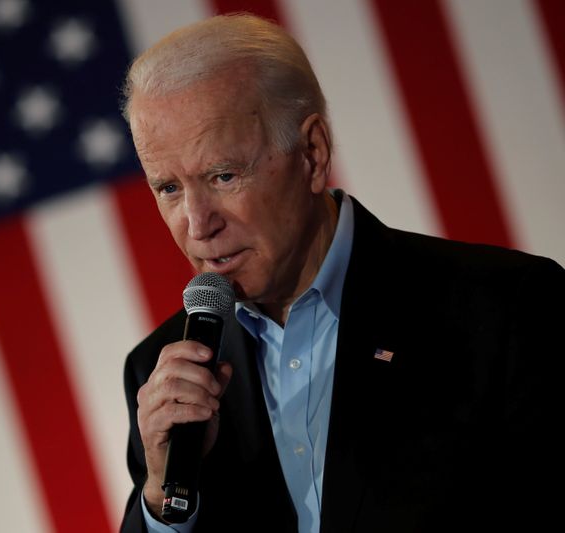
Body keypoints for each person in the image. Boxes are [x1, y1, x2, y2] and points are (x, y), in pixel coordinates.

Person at [119, 13, 563, 533]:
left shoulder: (506, 308)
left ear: (312, 154)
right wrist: (161, 500)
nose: (197, 224)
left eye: (223, 175)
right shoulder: (158, 369)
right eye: (168, 188)